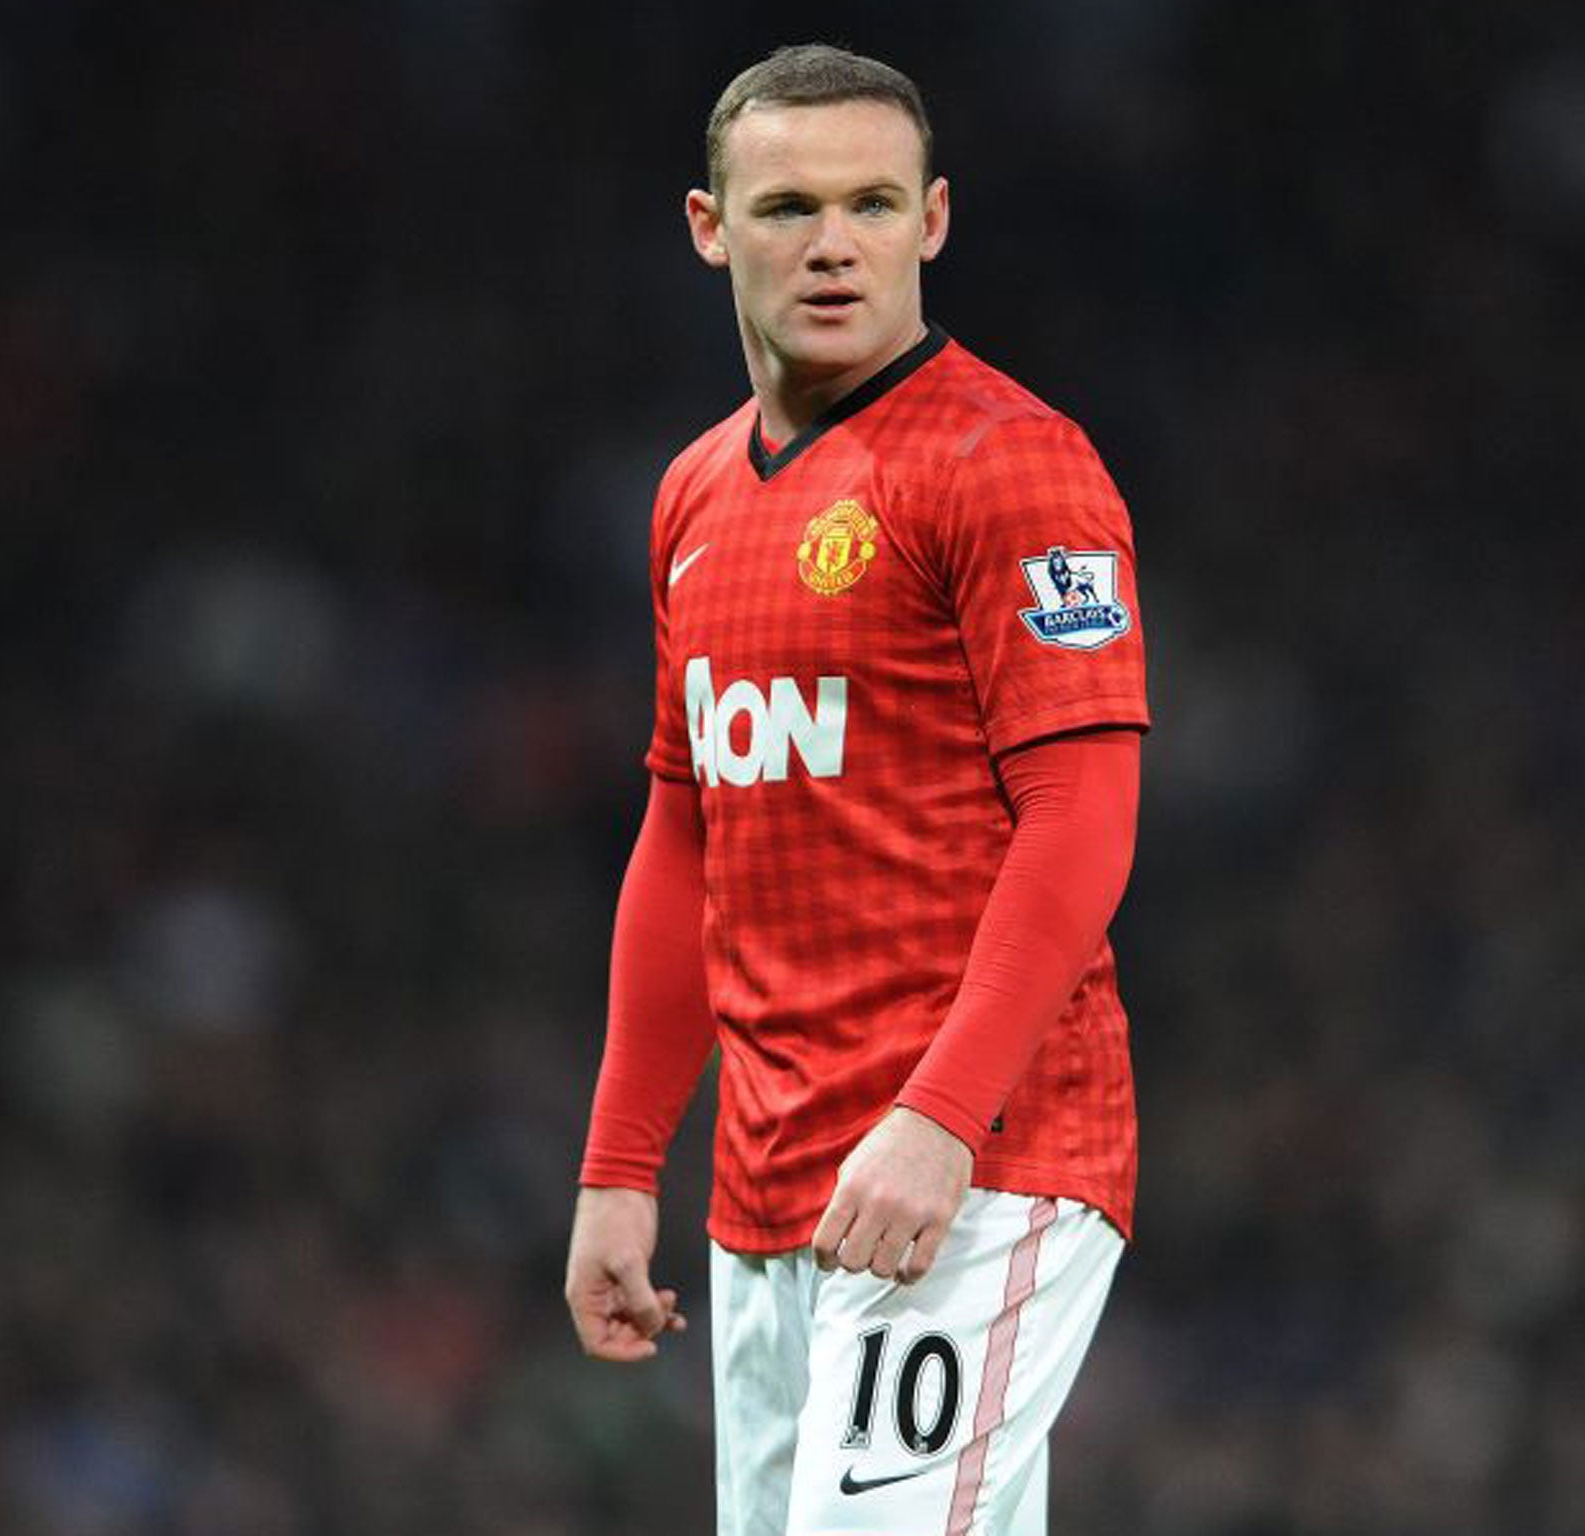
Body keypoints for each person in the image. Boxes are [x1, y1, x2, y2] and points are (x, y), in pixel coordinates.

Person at [563, 42, 1148, 1536]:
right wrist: (624, 1161)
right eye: (789, 206)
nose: (834, 243)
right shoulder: (694, 496)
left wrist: (944, 1115)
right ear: (710, 227)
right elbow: (689, 838)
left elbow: (1082, 822)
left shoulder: (1011, 466)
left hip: (981, 1160)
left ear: (934, 222)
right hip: (772, 1188)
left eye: (874, 202)